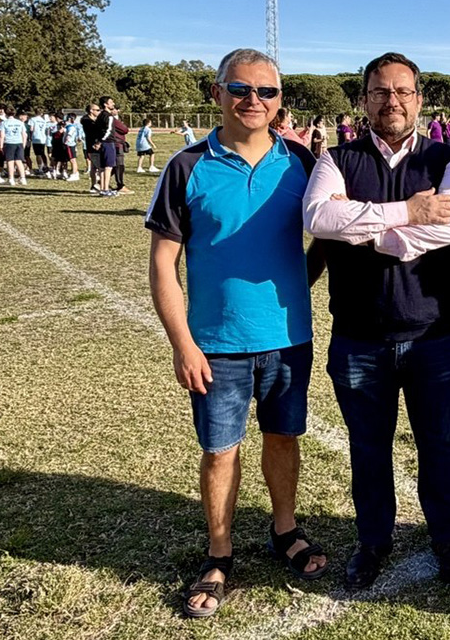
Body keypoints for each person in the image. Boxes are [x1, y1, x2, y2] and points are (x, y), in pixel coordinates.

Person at [145, 47, 328, 619]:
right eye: (241, 89)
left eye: (266, 91)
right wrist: (183, 343)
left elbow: (328, 233)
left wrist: (298, 281)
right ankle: (219, 553)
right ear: (218, 94)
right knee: (220, 450)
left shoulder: (302, 162)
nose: (254, 100)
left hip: (288, 339)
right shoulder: (186, 166)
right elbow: (163, 263)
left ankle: (285, 530)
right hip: (215, 345)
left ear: (280, 100)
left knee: (284, 438)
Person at [301, 51, 450, 590]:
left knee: (438, 442)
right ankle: (373, 540)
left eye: (402, 91)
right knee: (368, 447)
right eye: (380, 91)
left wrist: (363, 229)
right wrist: (406, 213)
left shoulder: (446, 159)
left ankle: (446, 536)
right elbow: (318, 216)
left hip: (431, 336)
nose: (391, 101)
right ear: (364, 100)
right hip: (359, 336)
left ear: (419, 100)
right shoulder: (337, 159)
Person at [1, 109, 29, 186]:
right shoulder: (20, 122)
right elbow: (24, 135)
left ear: (6, 114)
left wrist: (1, 145)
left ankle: (11, 179)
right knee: (19, 161)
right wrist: (23, 144)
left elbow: (2, 135)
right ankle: (23, 178)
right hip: (19, 143)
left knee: (10, 161)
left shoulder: (4, 123)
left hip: (9, 142)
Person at [28, 111, 52, 176]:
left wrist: (30, 137)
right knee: (42, 153)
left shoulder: (32, 119)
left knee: (38, 154)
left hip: (36, 138)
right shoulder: (43, 120)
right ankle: (45, 166)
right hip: (43, 138)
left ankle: (40, 168)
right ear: (41, 114)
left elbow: (31, 129)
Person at [63, 114, 83, 181]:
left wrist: (66, 140)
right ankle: (75, 173)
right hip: (71, 144)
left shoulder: (71, 127)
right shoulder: (70, 126)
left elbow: (69, 135)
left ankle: (74, 174)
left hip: (70, 144)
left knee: (72, 160)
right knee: (72, 159)